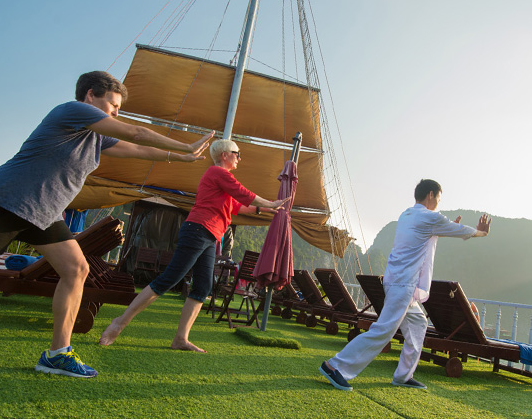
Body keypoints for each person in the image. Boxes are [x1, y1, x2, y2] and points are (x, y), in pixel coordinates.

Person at [0, 71, 213, 378]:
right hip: (4, 200)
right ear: (90, 94)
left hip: (43, 213)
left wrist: (177, 157)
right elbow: (137, 134)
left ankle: (57, 355)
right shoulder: (72, 110)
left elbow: (135, 148)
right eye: (113, 105)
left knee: (77, 269)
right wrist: (186, 146)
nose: (117, 113)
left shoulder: (95, 136)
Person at [99, 139, 290, 352]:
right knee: (169, 278)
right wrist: (269, 203)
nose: (239, 157)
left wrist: (262, 210)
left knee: (202, 286)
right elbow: (243, 194)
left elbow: (236, 206)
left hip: (210, 235)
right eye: (237, 153)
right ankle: (120, 322)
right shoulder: (218, 173)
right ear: (225, 154)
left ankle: (181, 339)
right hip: (198, 229)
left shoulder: (221, 180)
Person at [319, 179, 491, 391]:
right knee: (382, 332)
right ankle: (334, 366)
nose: (438, 202)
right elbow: (454, 230)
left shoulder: (407, 215)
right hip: (403, 285)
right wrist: (480, 232)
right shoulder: (429, 217)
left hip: (399, 282)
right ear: (430, 195)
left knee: (418, 324)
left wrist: (449, 227)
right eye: (438, 197)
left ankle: (403, 376)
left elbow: (426, 236)